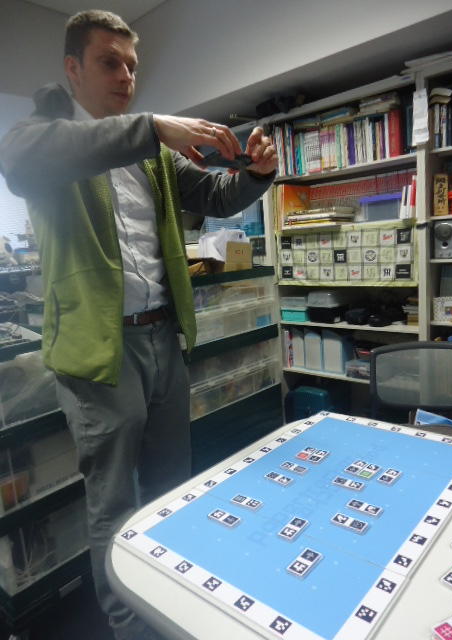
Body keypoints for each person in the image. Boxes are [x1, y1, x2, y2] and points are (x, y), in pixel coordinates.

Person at [0, 10, 277, 640]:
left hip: (161, 337)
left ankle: (171, 602)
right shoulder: (44, 138)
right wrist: (150, 126)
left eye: (131, 65)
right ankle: (129, 627)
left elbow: (215, 197)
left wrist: (257, 174)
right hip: (100, 351)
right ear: (73, 69)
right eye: (109, 62)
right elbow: (20, 160)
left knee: (170, 484)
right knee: (114, 502)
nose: (126, 75)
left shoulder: (152, 159)